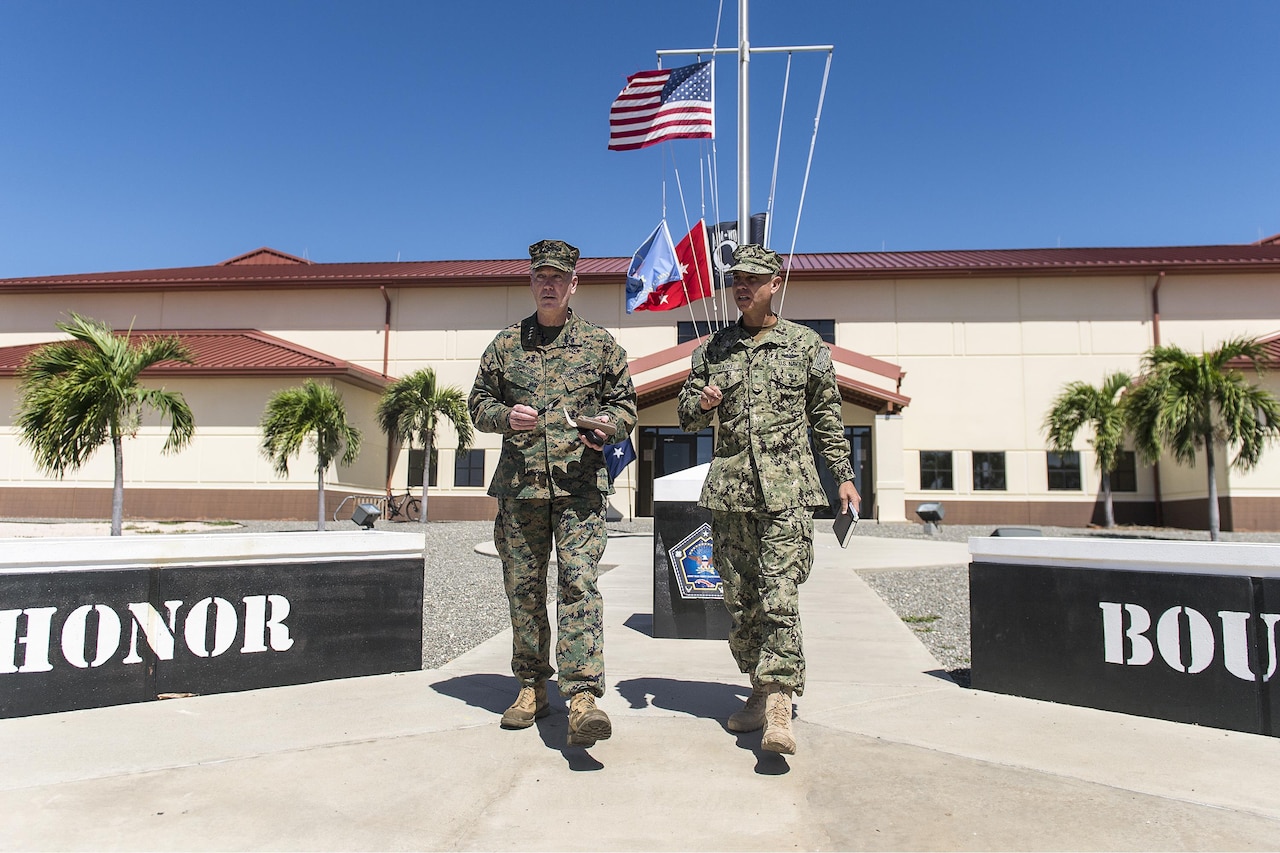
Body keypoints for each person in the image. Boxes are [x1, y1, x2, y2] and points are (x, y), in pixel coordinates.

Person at [676, 243, 860, 756]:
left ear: (774, 283)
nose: (742, 286)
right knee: (742, 602)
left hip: (788, 492)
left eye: (753, 278)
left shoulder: (805, 346)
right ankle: (758, 687)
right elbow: (686, 413)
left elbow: (827, 417)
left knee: (780, 594)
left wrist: (842, 476)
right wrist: (701, 400)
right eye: (736, 278)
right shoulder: (711, 350)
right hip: (731, 494)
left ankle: (780, 703)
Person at [468, 238, 638, 747]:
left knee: (579, 584)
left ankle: (582, 696)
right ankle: (531, 686)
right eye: (541, 276)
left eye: (558, 277)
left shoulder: (601, 345)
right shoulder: (505, 346)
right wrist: (504, 416)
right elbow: (477, 403)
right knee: (524, 591)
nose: (549, 285)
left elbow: (627, 406)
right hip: (521, 490)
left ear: (573, 284)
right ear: (531, 282)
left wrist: (608, 425)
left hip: (580, 489)